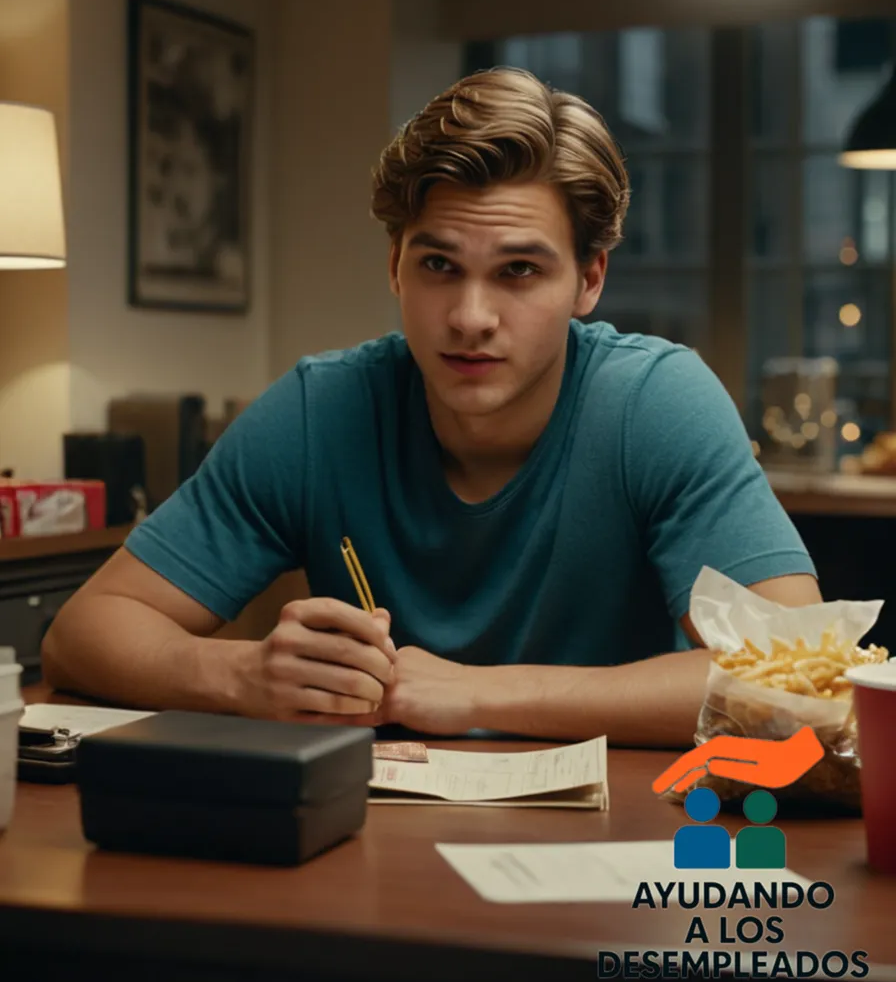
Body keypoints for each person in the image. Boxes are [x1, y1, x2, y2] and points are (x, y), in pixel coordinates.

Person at [42, 68, 822, 746]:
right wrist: (243, 673)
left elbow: (798, 678)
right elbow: (82, 634)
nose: (470, 316)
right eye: (440, 264)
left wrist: (479, 692)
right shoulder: (323, 410)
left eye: (518, 271)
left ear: (589, 281)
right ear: (395, 266)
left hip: (611, 845)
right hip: (365, 841)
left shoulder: (656, 402)